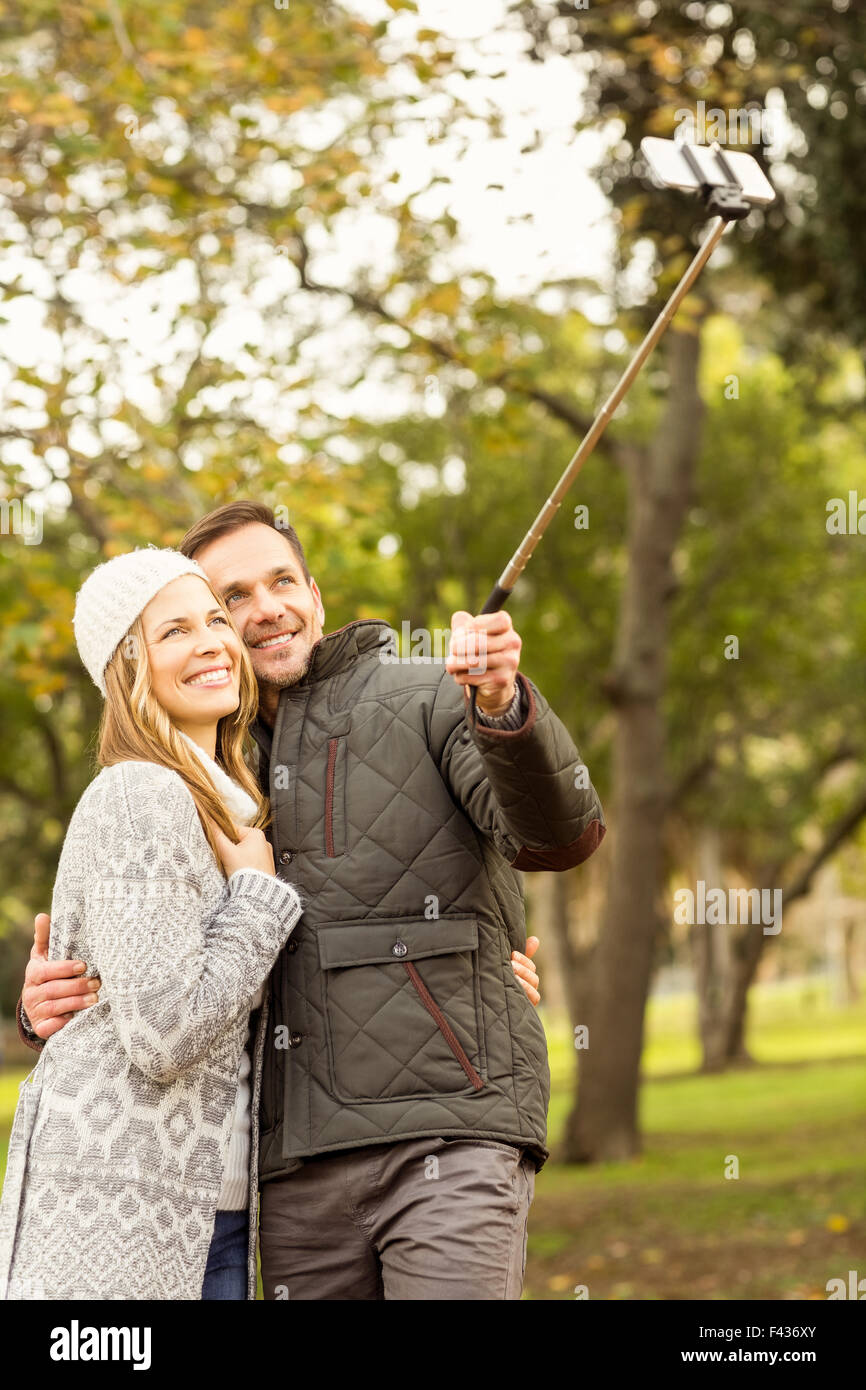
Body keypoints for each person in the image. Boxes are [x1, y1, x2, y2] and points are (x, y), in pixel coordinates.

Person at [19, 501, 605, 1300]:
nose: (263, 610)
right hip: (286, 1173)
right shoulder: (197, 771)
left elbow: (554, 835)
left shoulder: (431, 696)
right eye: (231, 598)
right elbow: (160, 972)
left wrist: (501, 705)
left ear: (316, 595)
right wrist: (58, 1003)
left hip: (448, 1132)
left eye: (281, 581)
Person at [0, 547, 302, 1300]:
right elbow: (163, 1033)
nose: (212, 643)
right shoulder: (142, 794)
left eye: (213, 620)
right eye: (174, 632)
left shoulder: (232, 802)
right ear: (128, 666)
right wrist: (258, 901)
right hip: (118, 1220)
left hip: (207, 1214)